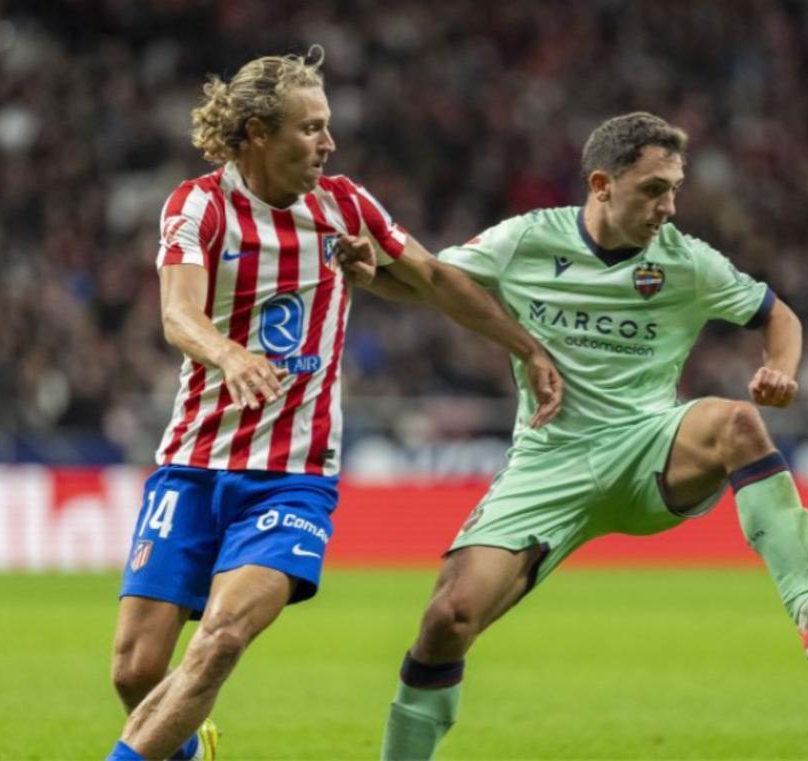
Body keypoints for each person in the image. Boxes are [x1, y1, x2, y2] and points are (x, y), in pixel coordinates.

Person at [354, 112, 808, 760]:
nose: (668, 206)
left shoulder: (687, 261)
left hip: (649, 446)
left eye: (674, 188)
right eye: (653, 189)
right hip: (549, 461)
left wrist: (780, 369)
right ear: (602, 184)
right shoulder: (526, 240)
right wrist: (364, 270)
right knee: (446, 619)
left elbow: (778, 314)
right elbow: (430, 280)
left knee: (735, 421)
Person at [105, 47, 563, 761]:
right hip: (191, 463)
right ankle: (192, 749)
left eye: (328, 126)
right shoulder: (197, 205)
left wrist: (527, 347)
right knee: (136, 670)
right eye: (311, 128)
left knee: (222, 636)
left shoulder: (345, 206)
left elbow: (435, 277)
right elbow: (177, 314)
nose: (329, 143)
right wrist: (229, 354)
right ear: (257, 132)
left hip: (292, 477)